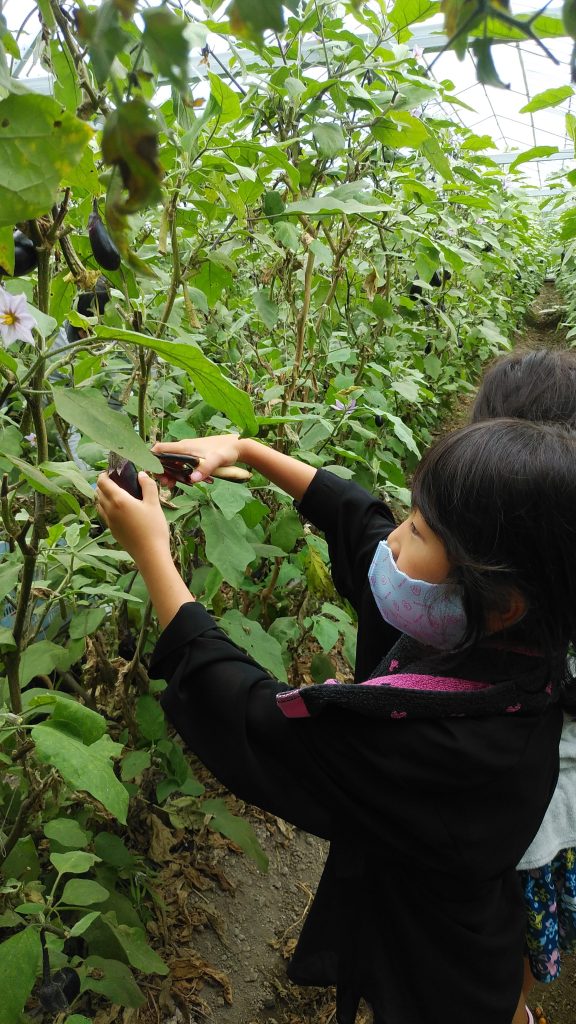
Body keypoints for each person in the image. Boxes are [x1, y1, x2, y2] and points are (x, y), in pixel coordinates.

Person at [96, 418, 576, 1024]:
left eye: (419, 531)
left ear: (500, 601)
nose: (393, 542)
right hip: (468, 932)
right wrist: (244, 449)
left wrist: (154, 557)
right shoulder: (513, 652)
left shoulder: (445, 743)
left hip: (440, 980)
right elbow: (362, 524)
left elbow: (252, 718)